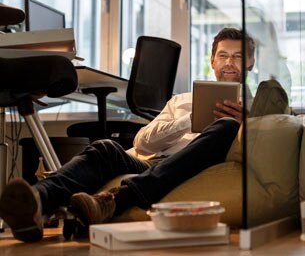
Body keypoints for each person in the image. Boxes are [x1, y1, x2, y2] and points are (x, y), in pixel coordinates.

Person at [0, 28, 259, 242]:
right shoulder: (182, 100)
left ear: (249, 63)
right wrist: (189, 120)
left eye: (237, 57)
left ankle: (117, 199)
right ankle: (36, 200)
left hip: (197, 167)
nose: (229, 62)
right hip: (152, 162)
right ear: (212, 61)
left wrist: (244, 127)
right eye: (223, 55)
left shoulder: (257, 108)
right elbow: (142, 143)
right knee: (105, 148)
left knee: (225, 126)